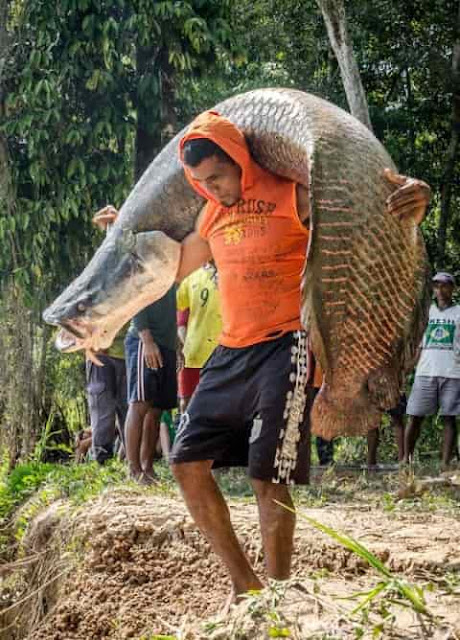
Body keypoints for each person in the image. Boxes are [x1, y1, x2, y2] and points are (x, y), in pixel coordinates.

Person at [167, 109, 430, 599]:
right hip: (230, 349)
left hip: (287, 345)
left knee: (267, 475)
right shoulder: (211, 214)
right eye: (202, 182)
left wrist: (417, 196)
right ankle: (247, 590)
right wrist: (120, 236)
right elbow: (173, 265)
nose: (214, 189)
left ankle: (281, 592)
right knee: (185, 464)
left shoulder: (292, 194)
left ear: (242, 159)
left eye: (219, 177)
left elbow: (368, 207)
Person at [84, 207, 128, 464]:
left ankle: (125, 460)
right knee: (102, 410)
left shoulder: (131, 268)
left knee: (126, 407)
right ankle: (101, 461)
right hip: (99, 352)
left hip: (125, 351)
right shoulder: (94, 274)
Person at [404, 272, 460, 469]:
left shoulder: (459, 312)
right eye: (437, 286)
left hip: (453, 372)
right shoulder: (427, 312)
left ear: (452, 288)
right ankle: (406, 460)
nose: (440, 290)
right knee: (415, 416)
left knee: (449, 418)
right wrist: (410, 365)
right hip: (425, 371)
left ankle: (445, 463)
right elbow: (420, 342)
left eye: (445, 286)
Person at [124, 289, 178, 483]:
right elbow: (137, 300)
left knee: (157, 409)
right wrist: (146, 340)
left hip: (167, 344)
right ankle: (134, 469)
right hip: (145, 341)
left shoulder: (173, 271)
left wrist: (176, 344)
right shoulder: (146, 264)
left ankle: (148, 467)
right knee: (140, 403)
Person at [176, 263, 222, 413]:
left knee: (219, 404)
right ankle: (185, 434)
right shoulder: (191, 276)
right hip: (192, 354)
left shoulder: (230, 271)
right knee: (187, 404)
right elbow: (176, 308)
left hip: (223, 353)